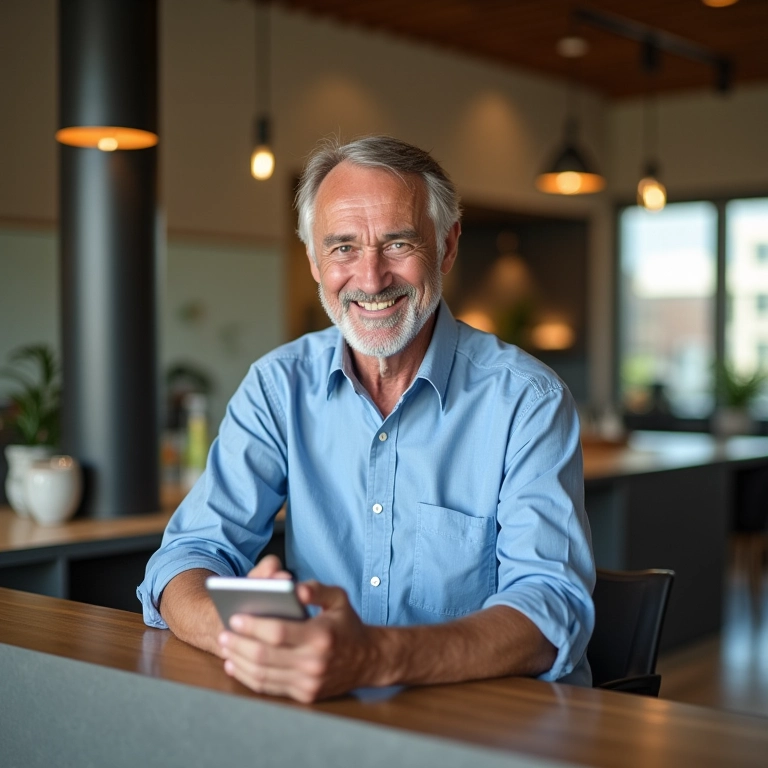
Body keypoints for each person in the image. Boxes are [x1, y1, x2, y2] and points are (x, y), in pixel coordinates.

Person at [138, 135, 595, 703]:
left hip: (484, 727)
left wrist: (373, 659)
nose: (372, 279)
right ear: (312, 260)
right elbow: (186, 558)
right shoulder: (278, 386)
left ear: (447, 247)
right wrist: (246, 637)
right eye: (343, 248)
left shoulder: (527, 399)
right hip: (325, 719)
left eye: (398, 243)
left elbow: (551, 607)